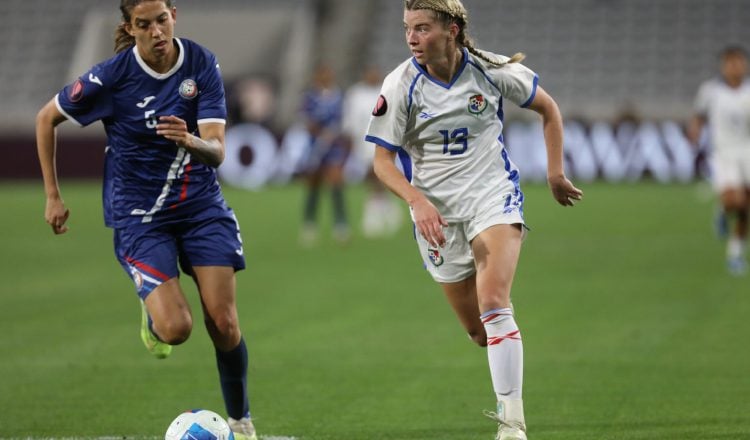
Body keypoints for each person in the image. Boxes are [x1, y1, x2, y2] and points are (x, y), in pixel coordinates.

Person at [35, 1, 258, 438]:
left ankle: (241, 421)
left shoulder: (201, 63)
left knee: (225, 323)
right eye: (144, 24)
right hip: (140, 218)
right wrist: (52, 195)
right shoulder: (111, 77)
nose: (156, 31)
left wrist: (190, 139)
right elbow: (47, 119)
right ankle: (152, 308)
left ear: (174, 14)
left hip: (200, 209)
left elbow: (217, 151)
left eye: (162, 19)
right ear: (129, 27)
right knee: (176, 330)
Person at [366, 1, 583, 439]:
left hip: (492, 197)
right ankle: (504, 375)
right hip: (436, 217)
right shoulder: (401, 84)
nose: (411, 38)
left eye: (422, 28)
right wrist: (417, 201)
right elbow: (382, 162)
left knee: (493, 303)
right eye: (408, 29)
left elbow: (549, 110)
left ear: (452, 29)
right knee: (479, 332)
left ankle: (512, 425)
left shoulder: (491, 69)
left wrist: (555, 172)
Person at [689, 45, 750, 276]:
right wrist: (695, 132)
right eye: (730, 62)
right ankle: (723, 212)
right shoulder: (711, 91)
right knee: (735, 201)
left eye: (738, 62)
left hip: (747, 151)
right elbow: (699, 115)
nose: (734, 67)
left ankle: (735, 255)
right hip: (724, 153)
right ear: (724, 65)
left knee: (746, 207)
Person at [342, 65, 403, 238]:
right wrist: (351, 140)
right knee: (372, 177)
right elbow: (350, 120)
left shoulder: (386, 90)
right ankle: (386, 207)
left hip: (382, 140)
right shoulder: (355, 94)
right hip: (362, 141)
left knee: (376, 173)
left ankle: (374, 212)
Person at [299, 64, 351, 245]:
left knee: (336, 183)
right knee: (314, 186)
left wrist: (332, 134)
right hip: (315, 147)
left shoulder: (338, 97)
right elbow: (307, 121)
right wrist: (319, 132)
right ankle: (309, 224)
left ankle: (341, 225)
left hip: (333, 147)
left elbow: (342, 120)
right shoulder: (310, 98)